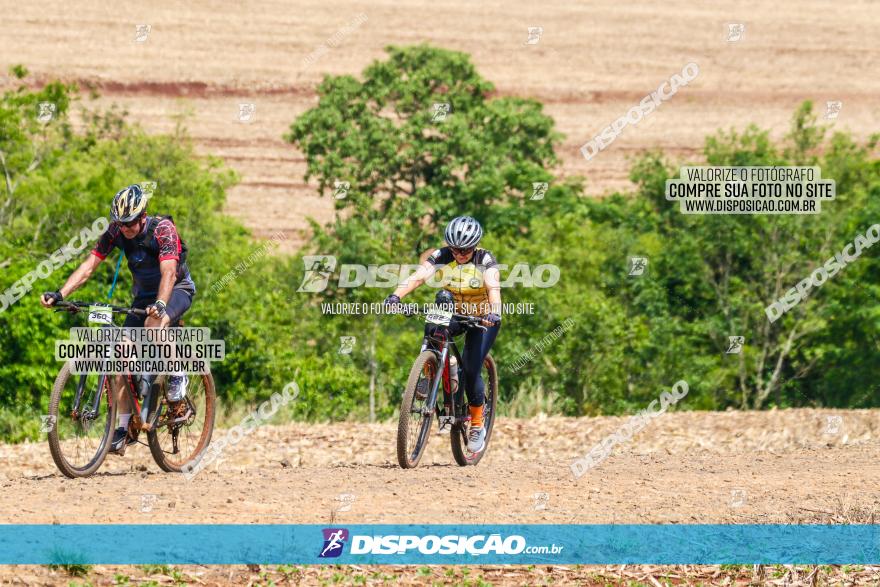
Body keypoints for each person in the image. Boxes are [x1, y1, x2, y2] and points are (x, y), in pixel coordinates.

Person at [40, 185, 196, 455]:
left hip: (176, 289)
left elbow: (169, 272)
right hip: (143, 297)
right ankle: (124, 427)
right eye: (121, 223)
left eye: (131, 223)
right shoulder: (115, 230)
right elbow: (89, 266)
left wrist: (160, 304)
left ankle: (177, 375)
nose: (125, 228)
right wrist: (61, 293)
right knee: (122, 352)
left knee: (153, 327)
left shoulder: (162, 230)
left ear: (142, 216)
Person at [384, 216, 501, 453]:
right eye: (455, 248)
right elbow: (418, 276)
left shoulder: (485, 260)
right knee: (435, 316)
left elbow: (493, 289)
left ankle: (477, 424)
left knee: (471, 368)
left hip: (482, 317)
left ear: (475, 246)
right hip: (454, 312)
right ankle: (430, 370)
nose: (459, 254)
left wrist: (494, 312)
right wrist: (396, 296)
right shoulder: (442, 255)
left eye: (465, 249)